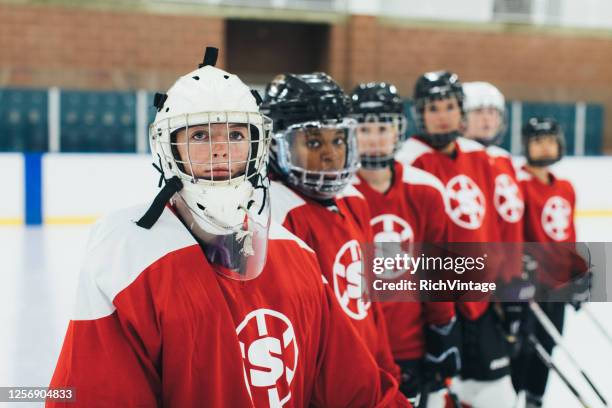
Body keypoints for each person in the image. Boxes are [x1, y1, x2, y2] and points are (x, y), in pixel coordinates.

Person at [47, 48, 402, 408]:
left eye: (235, 135)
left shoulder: (295, 253)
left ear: (258, 143)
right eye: (200, 135)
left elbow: (357, 389)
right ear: (169, 147)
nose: (220, 150)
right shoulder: (125, 254)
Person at [261, 72, 409, 407]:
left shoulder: (353, 199)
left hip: (371, 386)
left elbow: (367, 303)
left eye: (338, 140)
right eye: (313, 142)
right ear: (275, 145)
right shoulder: (276, 217)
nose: (330, 154)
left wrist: (388, 373)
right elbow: (314, 341)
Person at [396, 71, 518, 407]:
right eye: (433, 107)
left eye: (449, 106)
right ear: (419, 112)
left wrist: (508, 288)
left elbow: (493, 227)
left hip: (479, 306)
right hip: (431, 310)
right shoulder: (406, 162)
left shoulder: (480, 157)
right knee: (434, 398)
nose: (442, 115)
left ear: (461, 111)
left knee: (497, 397)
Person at [350, 81, 458, 407]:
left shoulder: (425, 190)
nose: (373, 138)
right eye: (364, 128)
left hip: (409, 345)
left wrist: (442, 328)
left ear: (397, 130)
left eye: (382, 127)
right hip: (354, 347)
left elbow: (438, 271)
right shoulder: (334, 195)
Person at [514, 117, 589, 408]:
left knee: (548, 346)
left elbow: (567, 236)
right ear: (526, 145)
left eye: (550, 140)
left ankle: (535, 400)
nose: (545, 147)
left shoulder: (566, 187)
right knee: (522, 350)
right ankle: (511, 399)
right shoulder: (517, 184)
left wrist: (579, 273)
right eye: (538, 140)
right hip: (526, 288)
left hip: (557, 286)